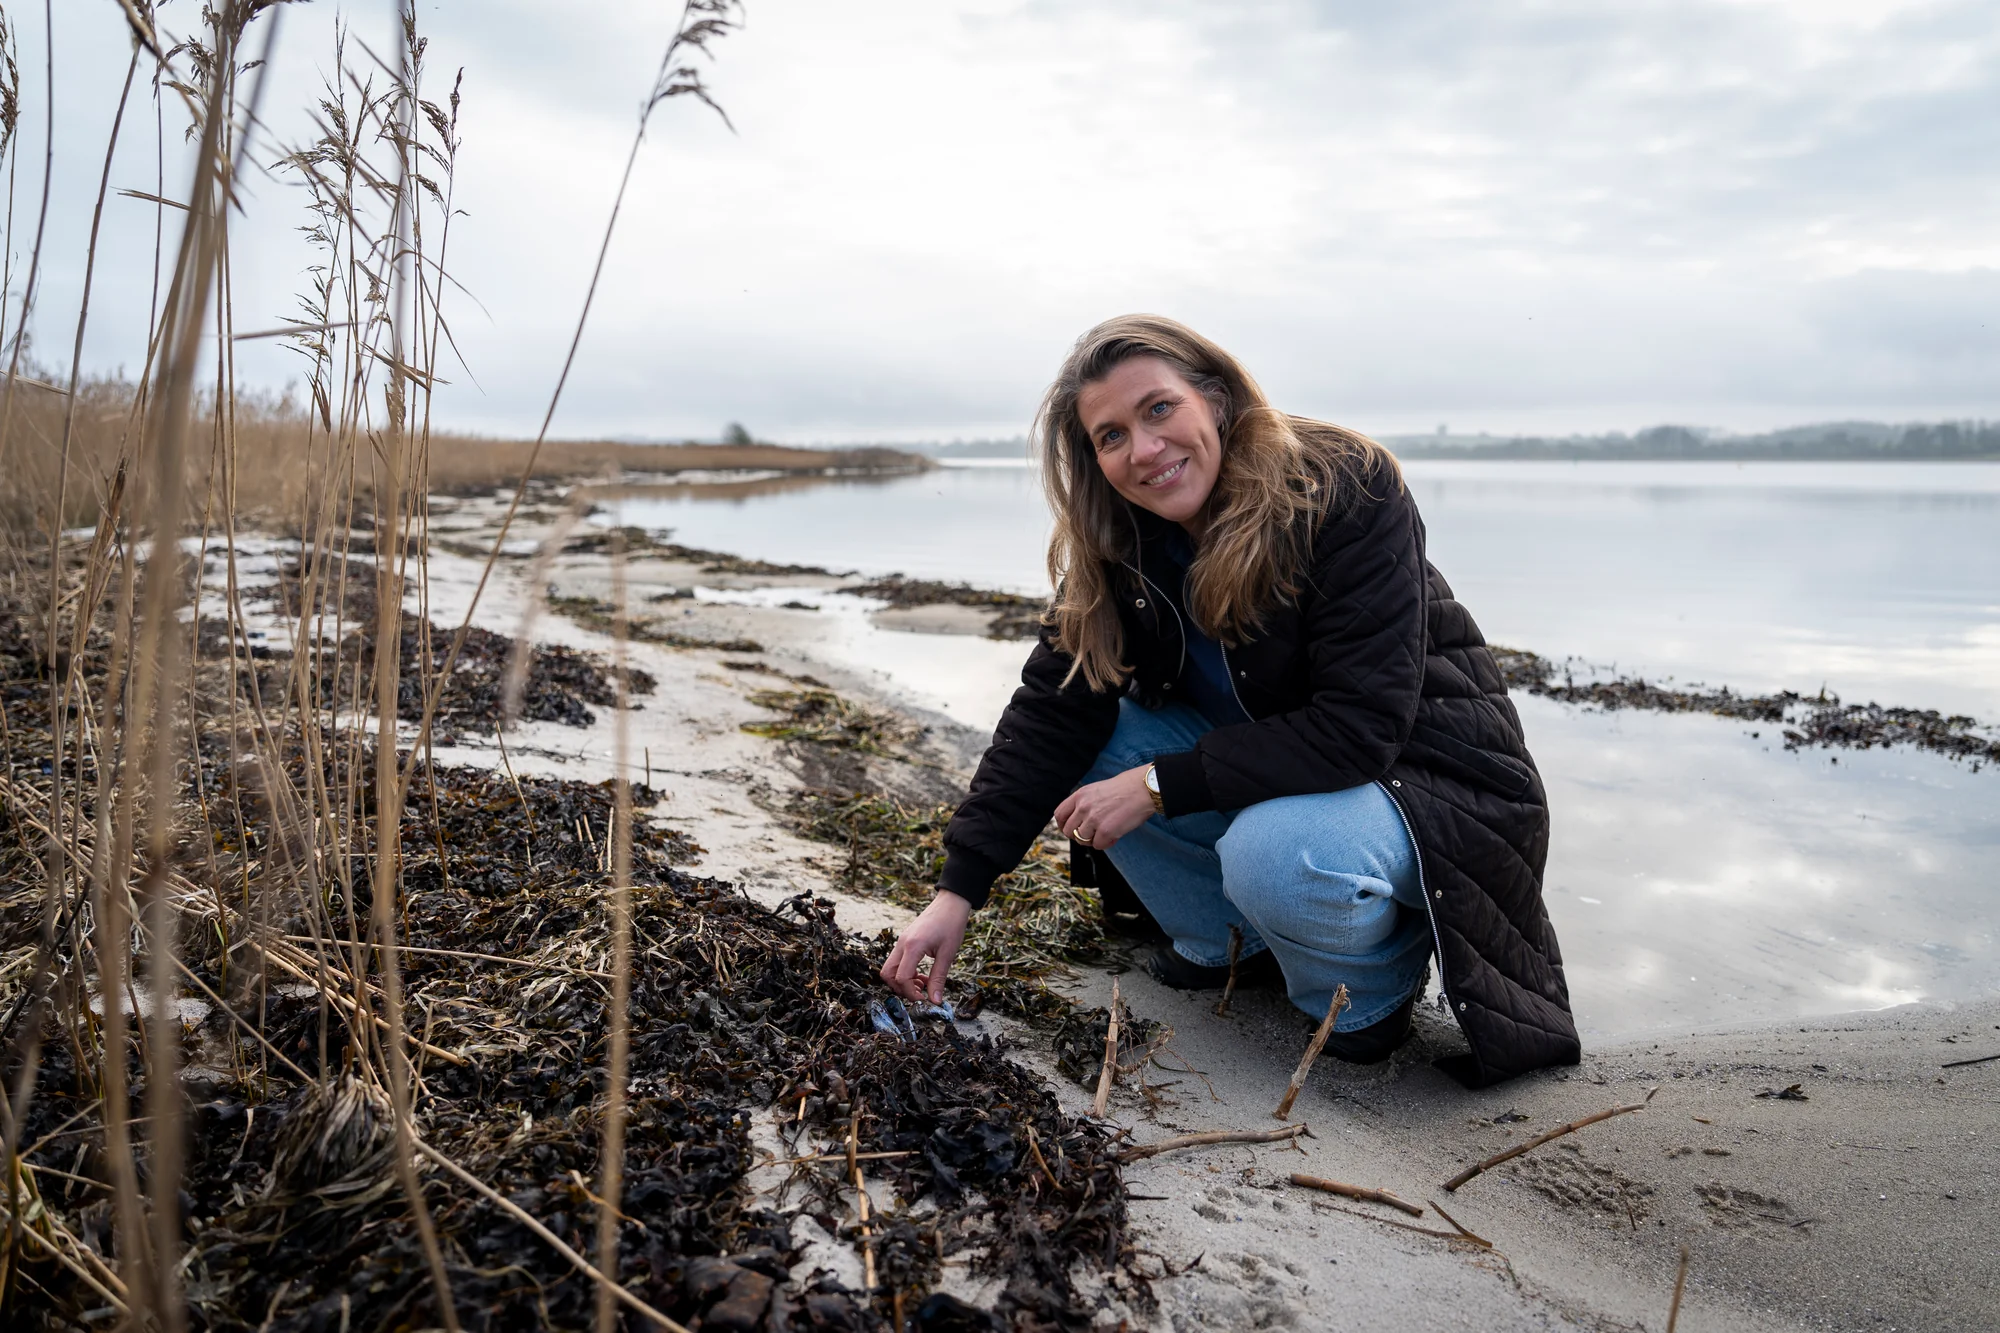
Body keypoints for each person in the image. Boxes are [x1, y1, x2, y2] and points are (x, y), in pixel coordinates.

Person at [880, 315, 1579, 1087]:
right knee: (1093, 743)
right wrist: (957, 892)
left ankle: (1368, 988)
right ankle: (1230, 939)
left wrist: (1158, 784)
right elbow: (1051, 711)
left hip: (1428, 789)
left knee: (1272, 851)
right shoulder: (1122, 543)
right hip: (1291, 775)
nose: (1144, 449)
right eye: (1111, 436)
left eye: (1158, 409)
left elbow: (1361, 728)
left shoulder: (1346, 490)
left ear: (1214, 399)